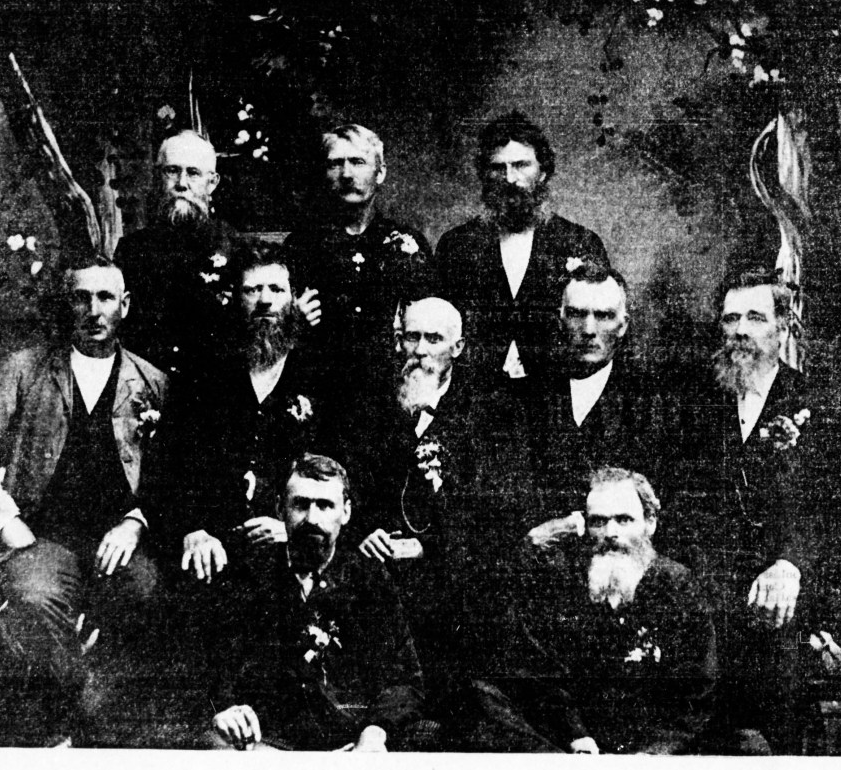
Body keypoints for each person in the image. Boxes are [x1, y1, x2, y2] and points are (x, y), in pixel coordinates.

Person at [0, 255, 168, 745]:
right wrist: (6, 521)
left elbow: (175, 475)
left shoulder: (152, 382)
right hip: (43, 538)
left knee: (147, 595)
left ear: (125, 305)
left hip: (118, 541)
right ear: (67, 304)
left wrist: (135, 522)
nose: (94, 311)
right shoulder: (25, 370)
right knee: (34, 598)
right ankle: (79, 718)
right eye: (81, 298)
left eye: (105, 298)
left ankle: (112, 727)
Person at [336, 294, 533, 698]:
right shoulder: (370, 407)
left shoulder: (489, 414)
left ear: (457, 348)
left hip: (450, 580)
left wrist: (429, 546)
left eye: (434, 339)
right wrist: (362, 532)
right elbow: (347, 484)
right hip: (377, 571)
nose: (421, 350)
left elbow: (497, 513)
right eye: (412, 337)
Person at [465, 467, 716, 755]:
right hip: (574, 744)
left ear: (650, 523)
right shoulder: (566, 581)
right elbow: (543, 672)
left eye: (624, 520)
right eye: (598, 521)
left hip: (651, 748)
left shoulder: (679, 586)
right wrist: (576, 735)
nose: (610, 533)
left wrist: (652, 753)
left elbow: (698, 690)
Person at [671, 267, 819, 753]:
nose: (739, 330)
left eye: (755, 318)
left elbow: (833, 511)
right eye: (730, 318)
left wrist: (791, 562)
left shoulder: (818, 404)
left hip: (779, 602)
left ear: (784, 327)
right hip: (704, 594)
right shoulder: (693, 402)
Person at [205, 454, 423, 752]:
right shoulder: (248, 576)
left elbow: (404, 679)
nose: (312, 518)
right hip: (265, 747)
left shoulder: (369, 580)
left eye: (325, 505)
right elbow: (217, 668)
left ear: (346, 512)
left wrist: (375, 732)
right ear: (280, 508)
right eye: (300, 504)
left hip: (351, 747)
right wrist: (226, 710)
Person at [158, 239, 328, 583]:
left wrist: (294, 527)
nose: (265, 300)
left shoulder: (321, 376)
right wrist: (193, 529)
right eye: (253, 290)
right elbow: (168, 466)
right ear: (237, 298)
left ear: (293, 299)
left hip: (298, 549)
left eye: (276, 289)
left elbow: (340, 470)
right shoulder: (203, 375)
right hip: (214, 551)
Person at [436, 112, 609, 392]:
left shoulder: (580, 242)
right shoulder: (457, 245)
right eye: (497, 168)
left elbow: (601, 328)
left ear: (543, 172)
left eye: (521, 165)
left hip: (554, 396)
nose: (510, 178)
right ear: (484, 176)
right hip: (475, 396)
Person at [282, 124, 433, 395]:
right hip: (320, 391)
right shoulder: (301, 246)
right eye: (335, 164)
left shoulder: (409, 244)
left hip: (393, 393)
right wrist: (291, 320)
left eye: (358, 162)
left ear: (380, 172)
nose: (346, 174)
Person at [523, 259, 658, 550]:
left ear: (623, 325)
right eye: (577, 314)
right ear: (560, 319)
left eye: (604, 316)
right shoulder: (524, 397)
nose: (588, 329)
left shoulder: (651, 401)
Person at [114, 129, 244, 378]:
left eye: (193, 173)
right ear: (157, 177)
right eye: (172, 171)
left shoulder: (236, 249)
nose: (181, 183)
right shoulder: (132, 250)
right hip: (145, 386)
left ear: (212, 183)